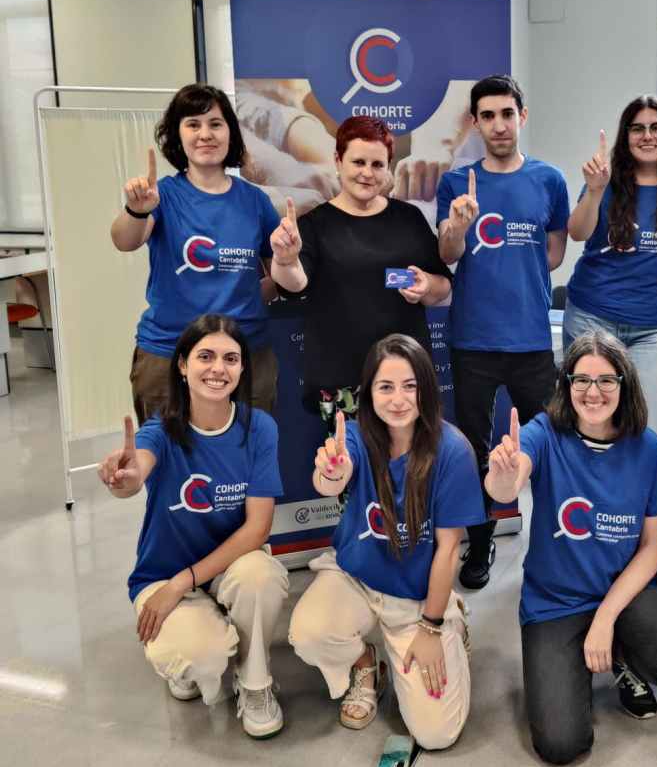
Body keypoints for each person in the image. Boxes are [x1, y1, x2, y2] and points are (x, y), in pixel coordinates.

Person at [486, 331, 657, 765]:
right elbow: (506, 485)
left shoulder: (647, 448)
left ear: (624, 384)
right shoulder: (544, 433)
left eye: (606, 380)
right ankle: (575, 663)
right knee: (561, 745)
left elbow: (653, 545)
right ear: (566, 384)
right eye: (582, 380)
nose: (593, 392)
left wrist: (606, 618)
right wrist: (504, 475)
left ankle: (623, 657)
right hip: (555, 603)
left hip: (623, 597)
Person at [97, 314, 289, 739]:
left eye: (230, 359)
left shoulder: (260, 428)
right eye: (205, 357)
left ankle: (255, 682)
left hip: (225, 568)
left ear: (242, 369)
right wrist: (125, 479)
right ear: (182, 365)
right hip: (162, 574)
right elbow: (136, 473)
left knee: (261, 577)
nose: (218, 368)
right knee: (200, 657)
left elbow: (257, 529)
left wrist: (183, 583)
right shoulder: (159, 431)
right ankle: (196, 645)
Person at [288, 334, 484, 749]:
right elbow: (332, 477)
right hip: (356, 578)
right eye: (386, 387)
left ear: (426, 389)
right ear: (368, 392)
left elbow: (449, 549)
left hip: (415, 597)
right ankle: (366, 664)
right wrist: (330, 472)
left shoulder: (453, 451)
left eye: (410, 386)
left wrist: (431, 628)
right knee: (309, 634)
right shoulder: (356, 435)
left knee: (436, 735)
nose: (398, 399)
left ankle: (452, 621)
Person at [436, 74, 570, 590]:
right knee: (473, 450)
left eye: (506, 114)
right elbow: (447, 255)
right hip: (472, 340)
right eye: (487, 116)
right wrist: (459, 226)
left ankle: (556, 543)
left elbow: (553, 254)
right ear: (475, 123)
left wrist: (520, 275)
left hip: (531, 340)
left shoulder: (549, 180)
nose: (498, 125)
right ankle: (481, 542)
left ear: (522, 116)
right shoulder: (456, 184)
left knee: (551, 444)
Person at [111, 84, 280, 426]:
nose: (205, 134)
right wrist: (136, 209)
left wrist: (247, 297)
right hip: (169, 354)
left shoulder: (256, 201)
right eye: (193, 124)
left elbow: (280, 273)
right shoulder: (163, 196)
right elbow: (124, 240)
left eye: (216, 124)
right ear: (178, 134)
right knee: (166, 454)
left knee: (246, 453)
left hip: (245, 354)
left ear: (231, 133)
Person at [269, 116, 453, 419]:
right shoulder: (315, 225)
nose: (367, 173)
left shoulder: (409, 219)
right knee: (348, 452)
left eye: (378, 164)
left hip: (406, 381)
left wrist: (427, 286)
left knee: (412, 452)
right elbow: (293, 284)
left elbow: (442, 285)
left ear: (388, 168)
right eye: (358, 162)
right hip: (340, 382)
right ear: (338, 161)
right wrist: (285, 260)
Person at [564, 94, 657, 446]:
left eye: (656, 128)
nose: (647, 136)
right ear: (625, 137)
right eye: (637, 128)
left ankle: (646, 487)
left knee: (652, 433)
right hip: (592, 319)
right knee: (591, 425)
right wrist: (594, 191)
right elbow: (577, 232)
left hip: (656, 330)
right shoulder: (604, 183)